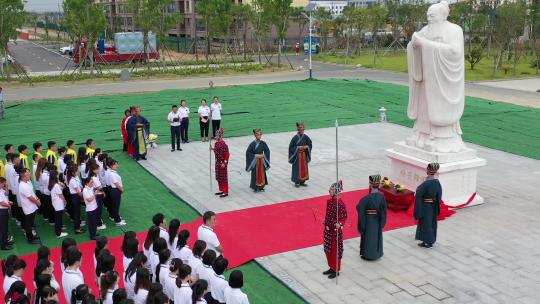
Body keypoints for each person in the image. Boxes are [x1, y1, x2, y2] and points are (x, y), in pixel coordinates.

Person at [356, 174, 387, 261]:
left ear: (370, 184)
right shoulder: (382, 197)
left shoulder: (366, 198)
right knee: (376, 237)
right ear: (378, 185)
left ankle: (367, 254)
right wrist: (382, 222)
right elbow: (384, 212)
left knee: (368, 237)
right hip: (377, 220)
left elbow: (359, 207)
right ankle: (377, 254)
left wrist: (362, 224)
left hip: (368, 221)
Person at [322, 181, 347, 279]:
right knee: (328, 250)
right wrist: (326, 222)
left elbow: (344, 217)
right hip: (328, 230)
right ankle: (331, 267)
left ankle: (336, 270)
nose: (330, 191)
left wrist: (339, 224)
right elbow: (328, 214)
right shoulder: (329, 201)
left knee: (335, 251)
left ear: (337, 191)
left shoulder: (340, 204)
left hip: (335, 233)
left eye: (332, 189)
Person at [414, 162, 442, 248]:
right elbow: (439, 195)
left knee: (426, 224)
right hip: (433, 206)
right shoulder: (437, 182)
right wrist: (436, 205)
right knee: (430, 223)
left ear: (428, 170)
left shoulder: (426, 183)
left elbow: (418, 194)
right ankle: (425, 240)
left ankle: (429, 241)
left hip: (425, 206)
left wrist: (418, 209)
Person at [18, 168, 41, 244]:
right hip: (28, 208)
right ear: (23, 177)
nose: (29, 176)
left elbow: (32, 193)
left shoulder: (27, 182)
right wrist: (37, 202)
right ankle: (30, 239)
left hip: (32, 206)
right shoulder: (23, 186)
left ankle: (32, 236)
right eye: (27, 175)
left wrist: (37, 198)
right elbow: (30, 197)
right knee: (28, 224)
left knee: (30, 223)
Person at [288, 122, 312, 187]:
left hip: (303, 156)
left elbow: (310, 144)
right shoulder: (295, 138)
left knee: (304, 169)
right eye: (300, 129)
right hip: (297, 156)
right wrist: (298, 147)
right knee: (297, 169)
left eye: (303, 129)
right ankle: (297, 182)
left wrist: (307, 147)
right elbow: (291, 147)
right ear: (298, 129)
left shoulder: (306, 137)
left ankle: (302, 181)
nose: (302, 130)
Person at [210, 128, 229, 197]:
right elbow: (216, 152)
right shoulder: (216, 144)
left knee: (223, 178)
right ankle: (221, 190)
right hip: (217, 163)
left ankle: (225, 191)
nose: (215, 136)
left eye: (217, 135)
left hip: (222, 163)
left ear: (220, 136)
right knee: (219, 177)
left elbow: (227, 155)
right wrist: (212, 149)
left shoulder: (224, 145)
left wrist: (225, 163)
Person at [49, 170, 68, 238]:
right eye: (57, 175)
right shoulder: (56, 185)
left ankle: (59, 229)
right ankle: (58, 233)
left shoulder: (52, 184)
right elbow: (60, 195)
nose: (58, 176)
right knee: (58, 218)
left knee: (58, 218)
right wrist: (65, 201)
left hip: (56, 203)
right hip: (58, 203)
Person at [67, 166, 85, 234]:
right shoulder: (72, 180)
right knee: (76, 213)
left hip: (76, 196)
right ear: (72, 173)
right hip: (75, 196)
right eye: (76, 171)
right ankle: (77, 229)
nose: (77, 172)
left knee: (77, 212)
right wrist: (83, 197)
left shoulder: (73, 179)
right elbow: (78, 192)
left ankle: (78, 226)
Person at [109, 160, 126, 226]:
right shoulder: (112, 174)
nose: (117, 166)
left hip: (115, 190)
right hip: (115, 190)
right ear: (112, 166)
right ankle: (118, 221)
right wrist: (122, 189)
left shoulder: (113, 172)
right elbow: (116, 183)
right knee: (116, 206)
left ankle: (117, 217)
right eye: (115, 165)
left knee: (116, 205)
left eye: (117, 164)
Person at [89, 164, 106, 230]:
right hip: (98, 195)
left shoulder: (94, 176)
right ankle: (98, 224)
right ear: (93, 170)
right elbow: (99, 187)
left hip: (97, 194)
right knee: (98, 210)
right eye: (97, 169)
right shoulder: (94, 178)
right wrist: (103, 192)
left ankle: (98, 222)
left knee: (98, 210)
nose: (98, 170)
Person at [0, 177, 13, 250]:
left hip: (4, 211)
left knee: (5, 228)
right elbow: (1, 202)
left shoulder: (1, 189)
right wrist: (8, 205)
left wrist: (7, 187)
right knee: (3, 229)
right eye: (3, 183)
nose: (4, 185)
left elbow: (6, 194)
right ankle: (3, 245)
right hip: (1, 212)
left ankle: (5, 242)